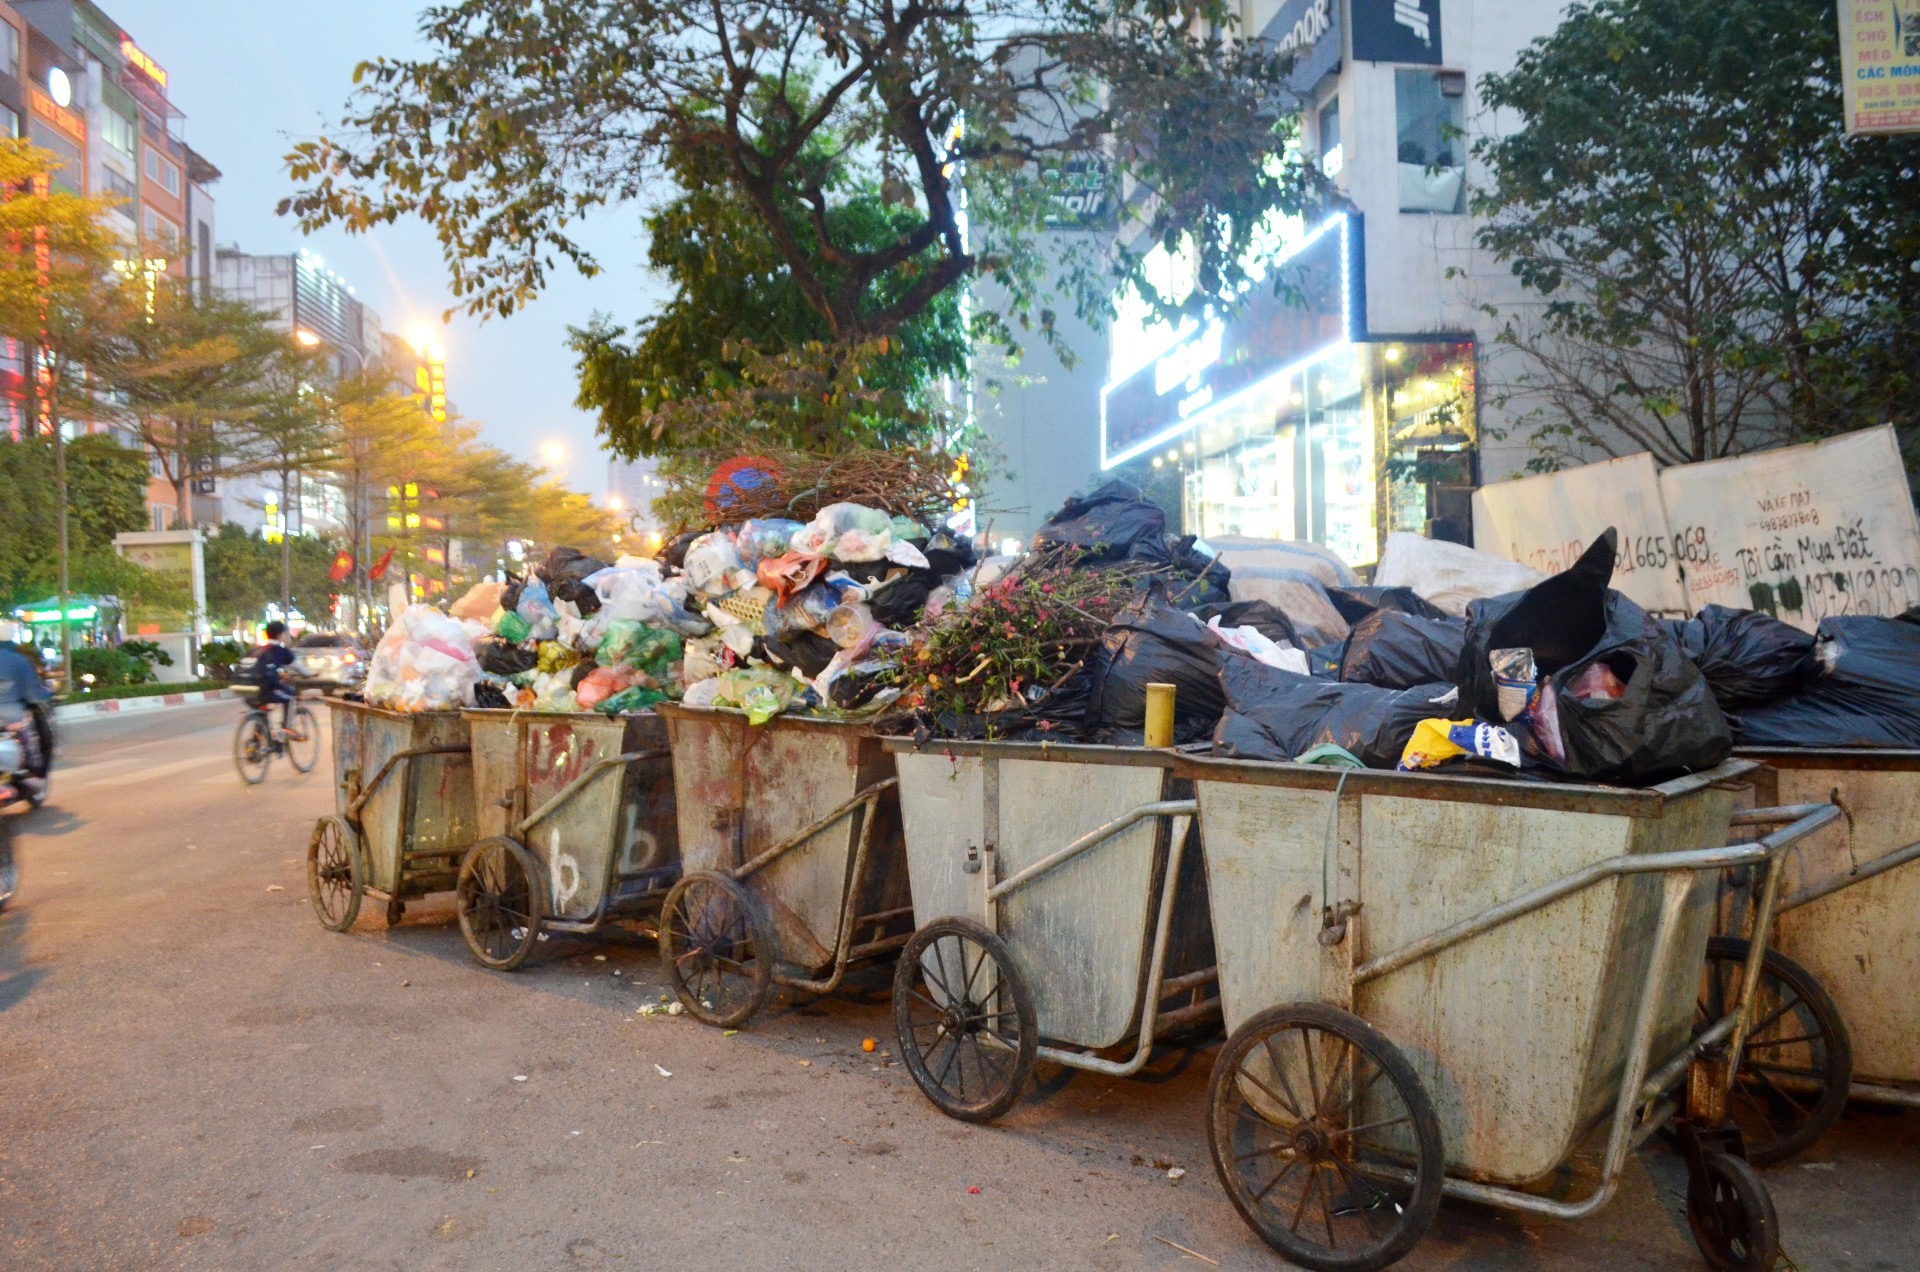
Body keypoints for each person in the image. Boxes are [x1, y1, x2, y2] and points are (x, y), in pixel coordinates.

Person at [0, 644, 52, 798]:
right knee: (41, 734)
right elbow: (33, 694)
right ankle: (33, 777)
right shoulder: (16, 660)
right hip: (10, 715)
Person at [249, 622, 305, 741]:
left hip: (249, 690)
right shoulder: (280, 650)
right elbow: (298, 667)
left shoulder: (257, 649)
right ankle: (287, 729)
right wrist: (310, 674)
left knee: (262, 709)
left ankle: (255, 741)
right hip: (267, 689)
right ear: (280, 635)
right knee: (290, 696)